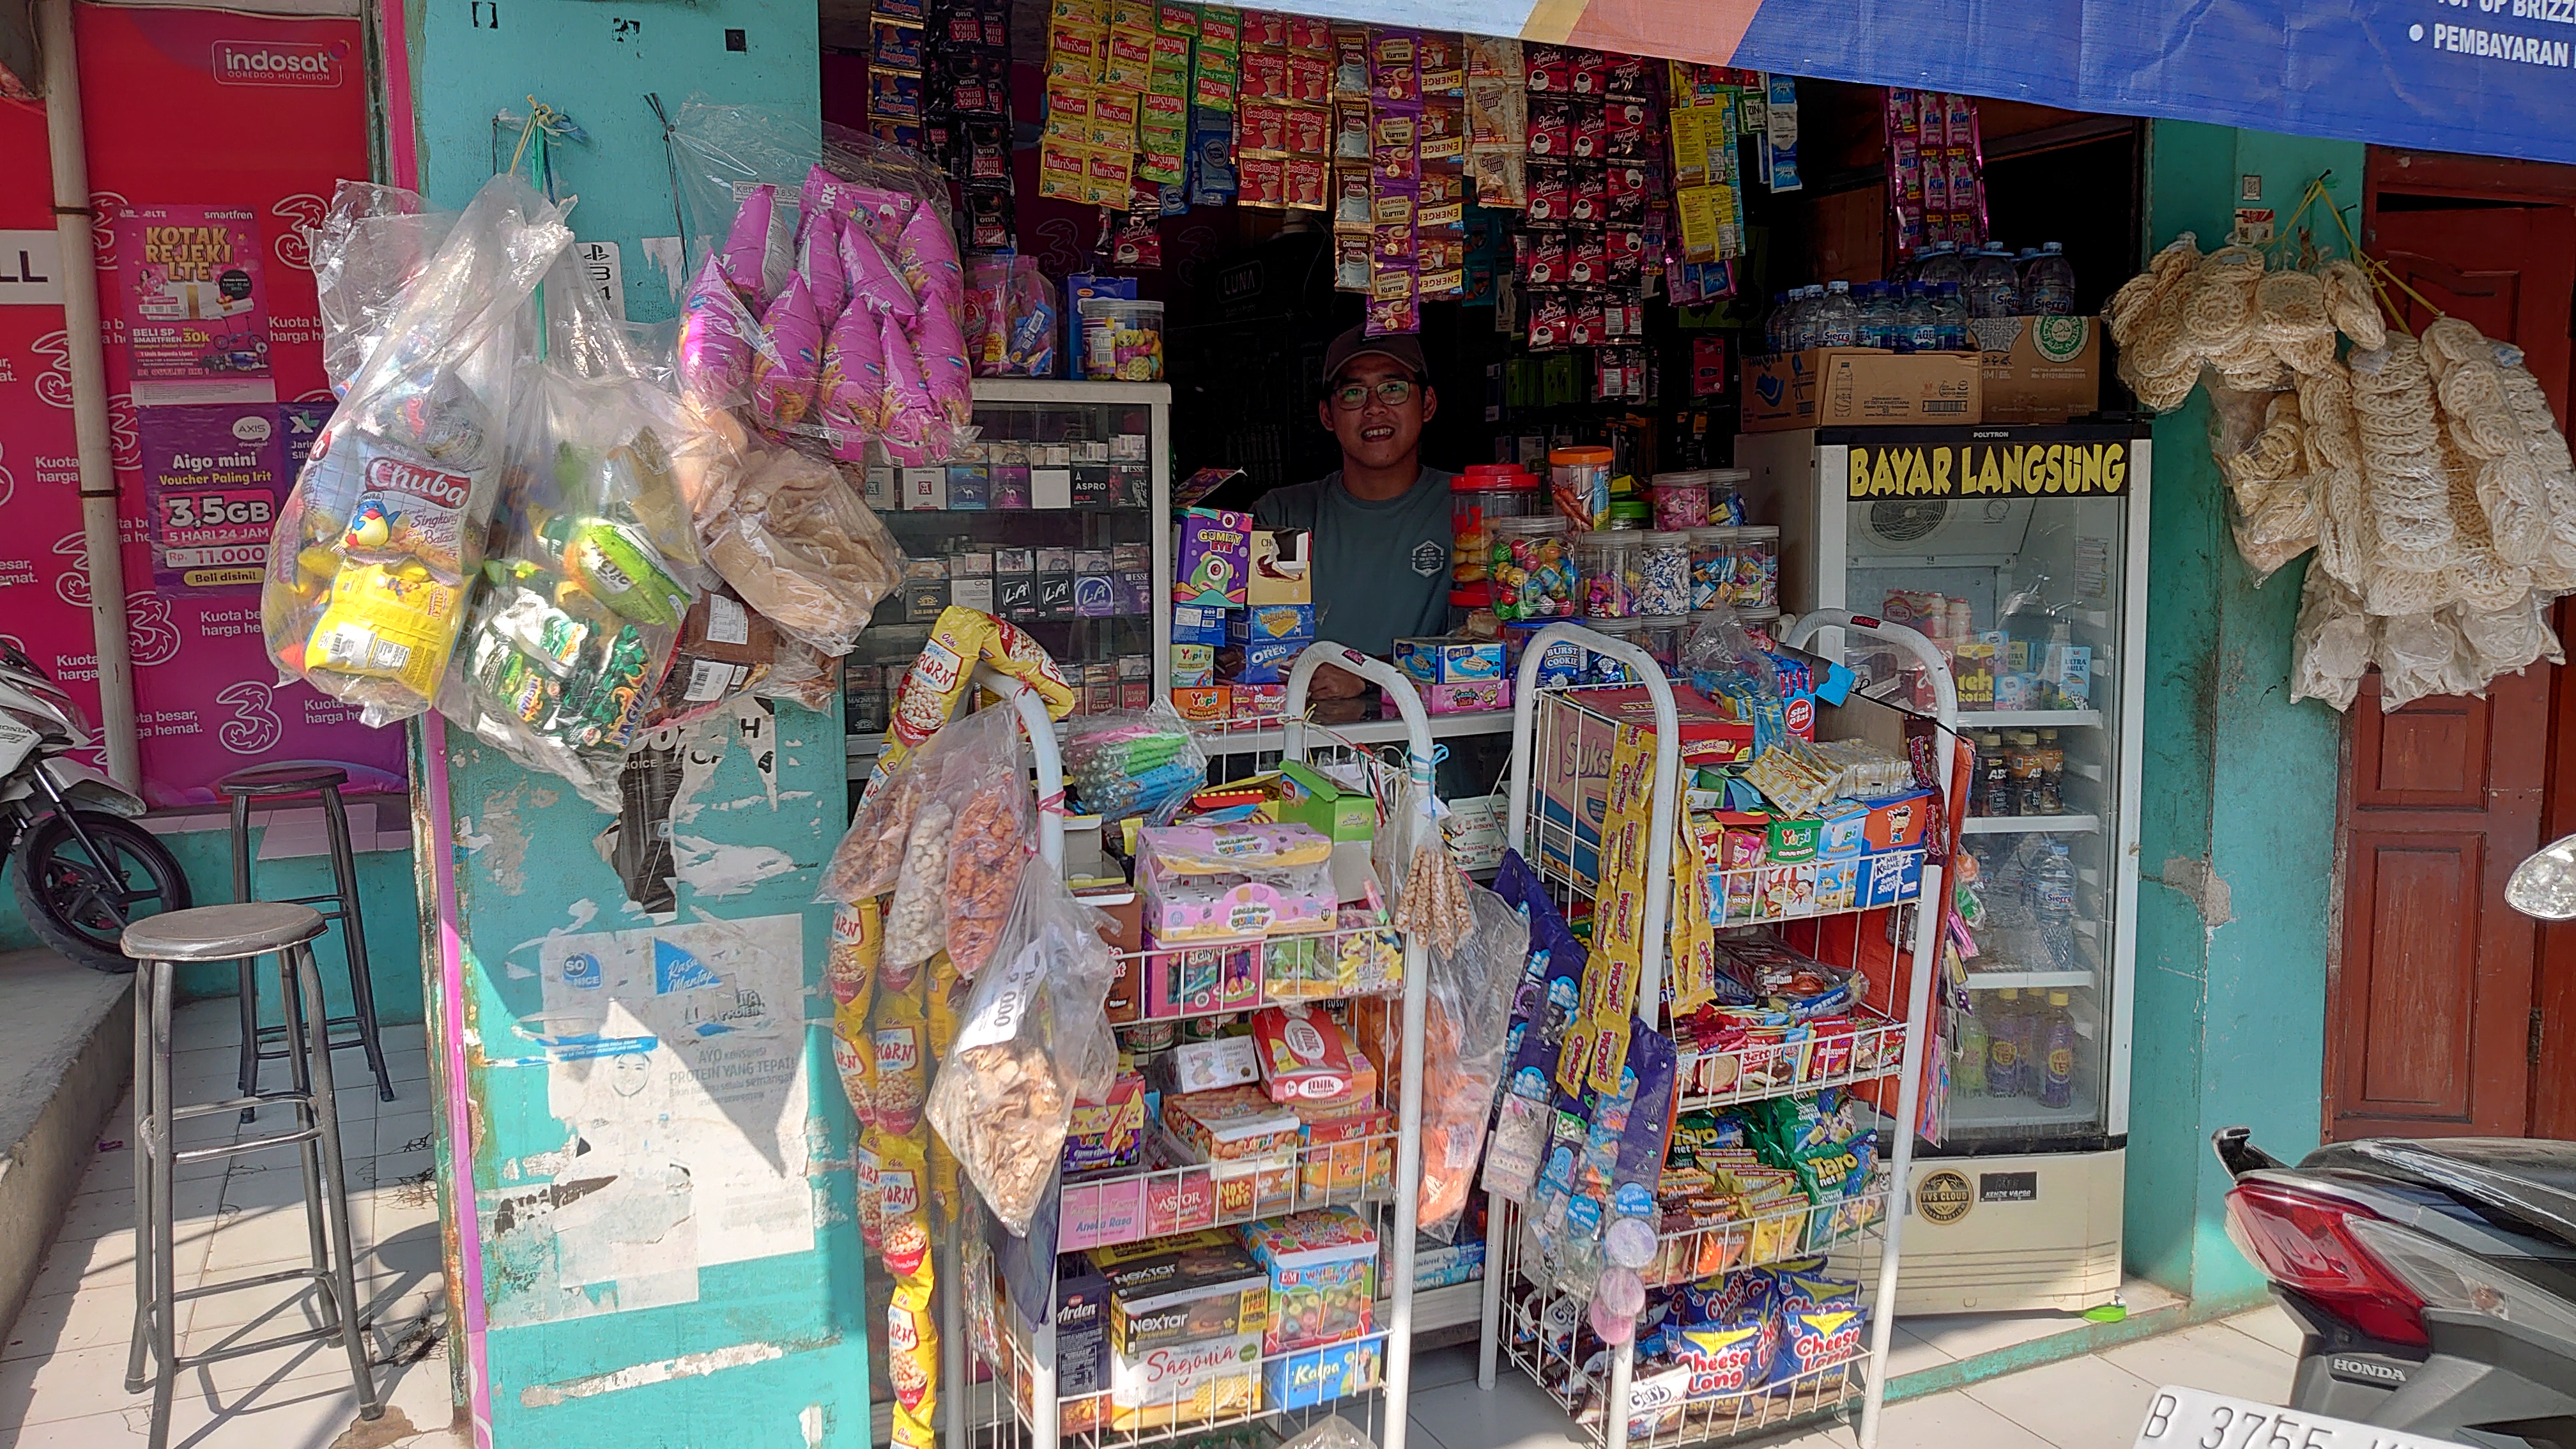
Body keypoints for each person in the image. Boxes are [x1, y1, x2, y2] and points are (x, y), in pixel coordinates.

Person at [1253, 326, 1453, 698]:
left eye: (1393, 388)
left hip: (1435, 731)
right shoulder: (1284, 517)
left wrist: (1366, 675)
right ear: (1327, 415)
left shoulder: (1467, 508)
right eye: (1353, 393)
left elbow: (1485, 649)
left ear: (1427, 404)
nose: (1374, 407)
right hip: (1303, 730)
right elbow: (1260, 645)